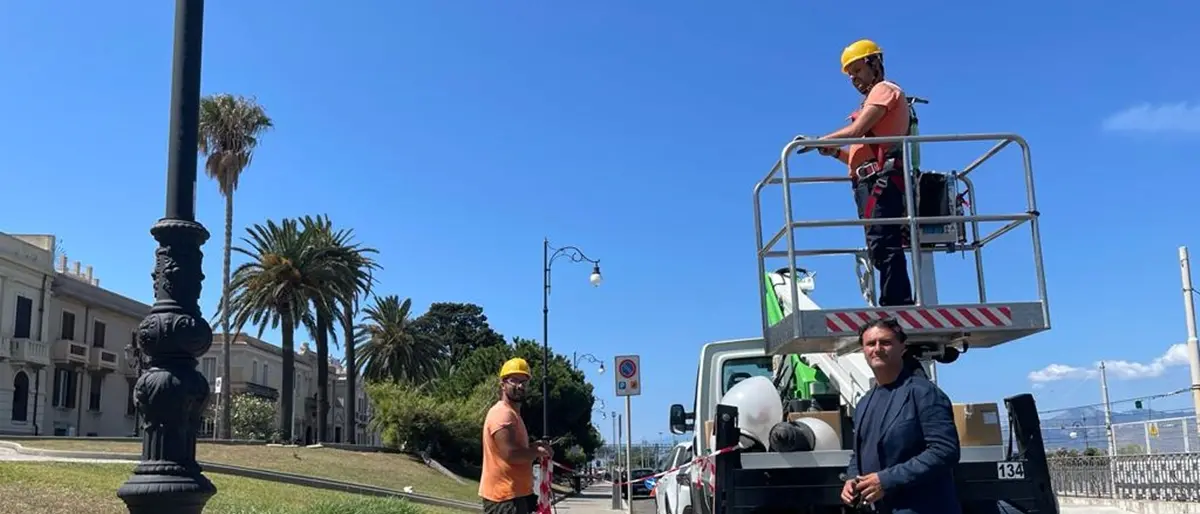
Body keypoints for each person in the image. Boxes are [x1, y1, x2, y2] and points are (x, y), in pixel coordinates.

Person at [815, 39, 914, 306]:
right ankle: (894, 302)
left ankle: (897, 304)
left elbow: (857, 130)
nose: (854, 79)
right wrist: (835, 152)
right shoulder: (870, 100)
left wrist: (819, 141)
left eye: (858, 70)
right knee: (878, 245)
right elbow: (858, 157)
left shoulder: (884, 89)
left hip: (881, 181)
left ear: (875, 64)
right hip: (869, 180)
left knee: (885, 244)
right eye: (850, 75)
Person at [841, 318, 960, 513]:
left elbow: (944, 451)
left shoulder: (923, 393)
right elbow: (859, 453)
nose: (877, 349)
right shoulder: (864, 403)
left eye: (885, 342)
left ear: (902, 348)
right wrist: (852, 479)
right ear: (863, 350)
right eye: (870, 344)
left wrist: (886, 480)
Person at [480, 358, 554, 514]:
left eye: (524, 382)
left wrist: (533, 447)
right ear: (503, 384)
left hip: (516, 495)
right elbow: (511, 454)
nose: (520, 386)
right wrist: (537, 451)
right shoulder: (502, 414)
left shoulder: (513, 414)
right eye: (514, 380)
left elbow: (515, 449)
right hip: (505, 499)